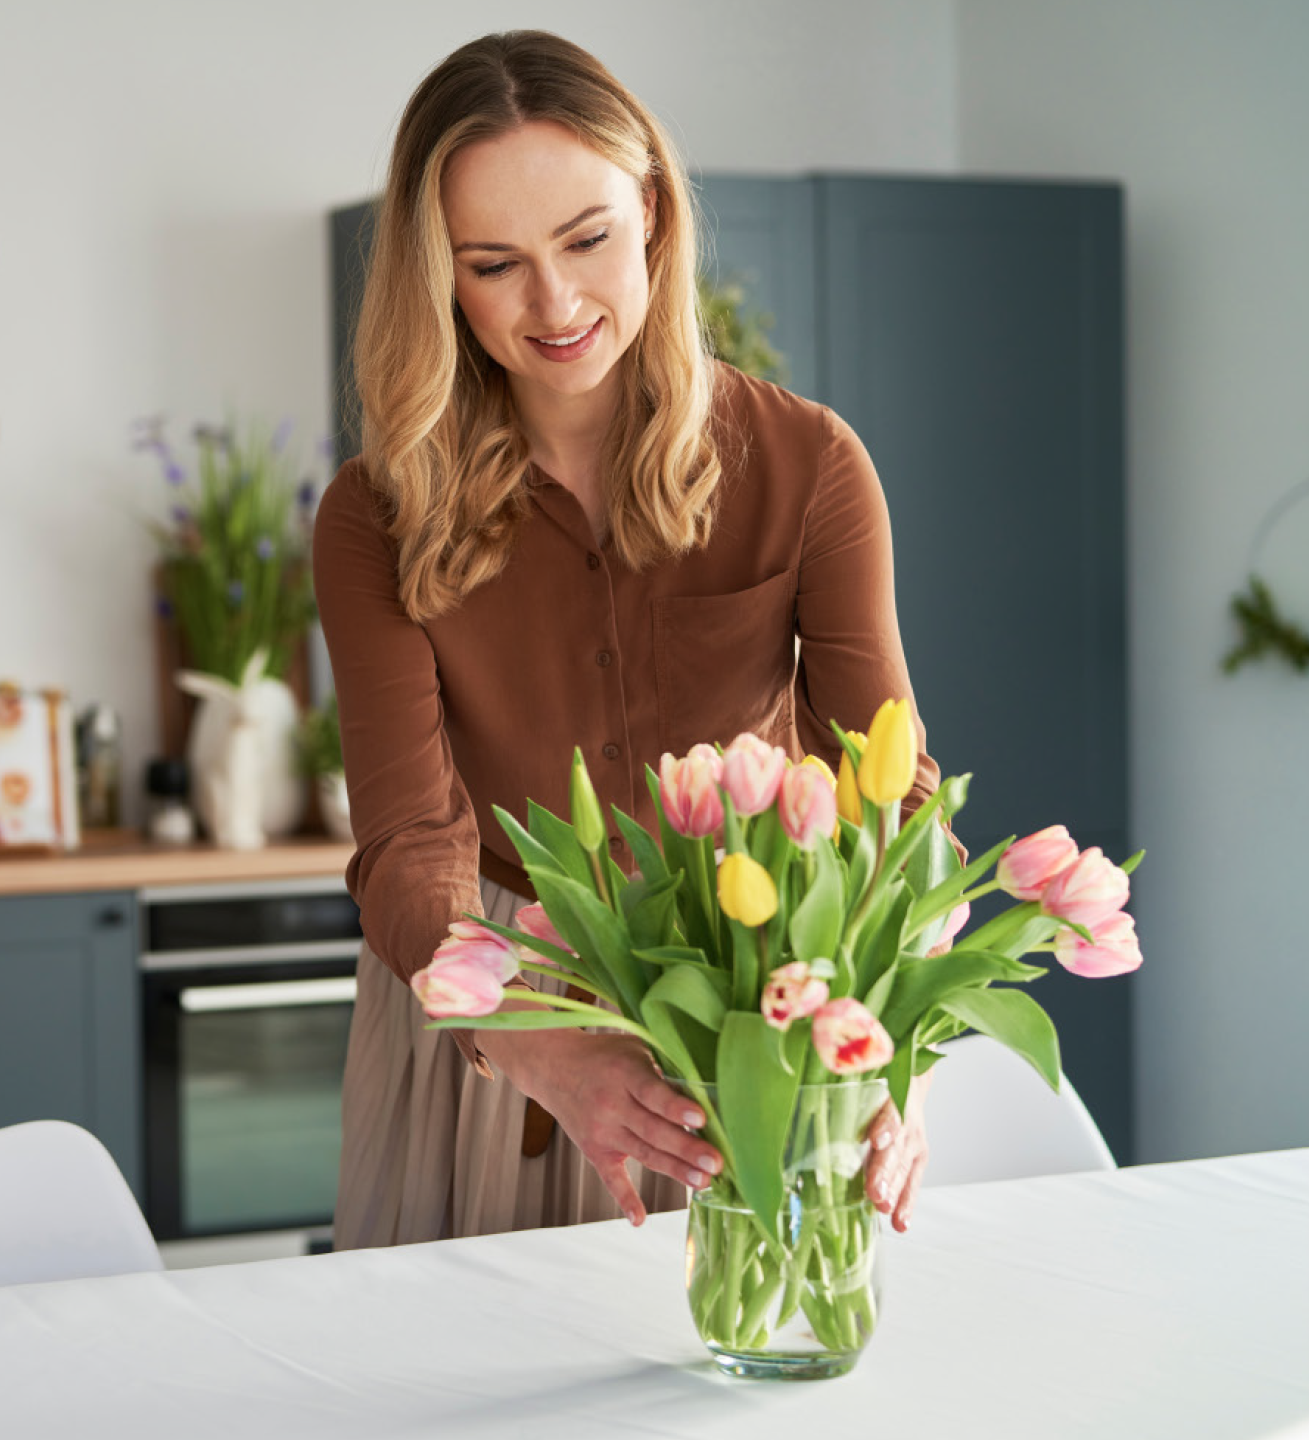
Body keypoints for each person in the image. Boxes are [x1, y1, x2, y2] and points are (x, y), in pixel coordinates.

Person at [316, 29, 945, 1251]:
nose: (553, 306)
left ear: (652, 211)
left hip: (752, 990)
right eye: (494, 264)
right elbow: (407, 837)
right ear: (439, 274)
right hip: (490, 1013)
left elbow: (888, 793)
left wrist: (890, 1047)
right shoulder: (375, 513)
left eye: (587, 240)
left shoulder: (810, 467)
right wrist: (538, 1042)